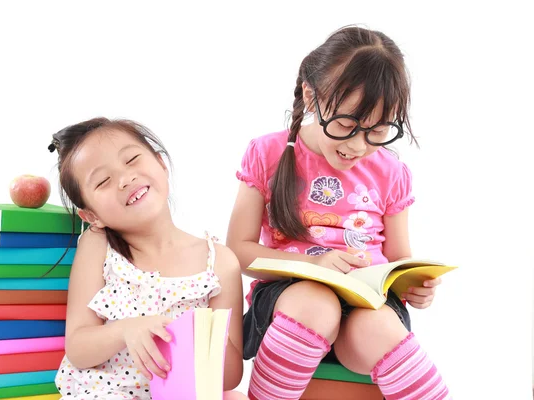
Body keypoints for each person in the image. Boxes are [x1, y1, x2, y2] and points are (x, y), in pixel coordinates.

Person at [227, 26, 451, 400]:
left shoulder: (391, 173)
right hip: (292, 303)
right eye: (346, 125)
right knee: (315, 304)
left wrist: (415, 285)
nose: (358, 146)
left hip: (366, 303)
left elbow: (398, 260)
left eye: (377, 131)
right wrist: (317, 266)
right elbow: (238, 250)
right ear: (311, 96)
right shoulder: (267, 153)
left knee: (379, 328)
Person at [48, 117, 248, 400]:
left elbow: (230, 376)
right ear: (92, 216)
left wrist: (204, 341)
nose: (125, 179)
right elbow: (78, 348)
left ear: (161, 164)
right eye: (103, 181)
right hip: (111, 393)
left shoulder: (219, 262)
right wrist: (126, 329)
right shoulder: (99, 245)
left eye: (131, 160)